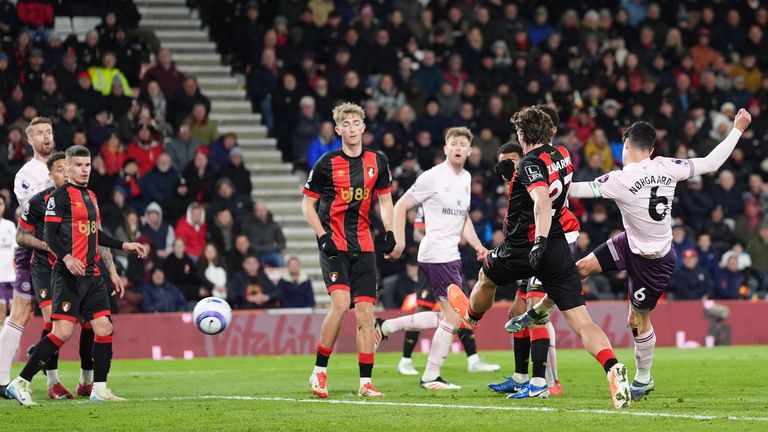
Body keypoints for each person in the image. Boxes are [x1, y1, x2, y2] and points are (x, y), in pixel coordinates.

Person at [553, 109, 752, 403]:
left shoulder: (620, 179)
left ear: (628, 146)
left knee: (637, 321)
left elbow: (578, 190)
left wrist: (545, 180)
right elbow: (711, 163)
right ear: (653, 149)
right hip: (628, 243)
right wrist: (737, 129)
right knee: (581, 268)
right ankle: (540, 309)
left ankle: (644, 379)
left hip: (654, 261)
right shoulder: (668, 166)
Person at [448, 107, 631, 408]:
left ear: (521, 135)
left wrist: (539, 241)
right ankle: (612, 366)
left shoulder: (529, 164)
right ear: (549, 132)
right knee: (581, 321)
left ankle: (471, 319)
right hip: (559, 247)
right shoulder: (563, 155)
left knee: (485, 276)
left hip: (526, 246)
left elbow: (541, 200)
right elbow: (557, 190)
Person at [5, 145, 147, 406]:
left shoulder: (91, 196)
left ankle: (100, 388)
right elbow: (48, 234)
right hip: (68, 275)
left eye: (88, 165)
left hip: (92, 275)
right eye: (79, 165)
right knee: (61, 332)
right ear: (68, 167)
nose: (84, 170)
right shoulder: (58, 198)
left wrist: (123, 245)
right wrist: (66, 257)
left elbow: (95, 234)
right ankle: (21, 382)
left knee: (104, 327)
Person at [373, 127, 498, 390]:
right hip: (437, 253)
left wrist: (478, 245)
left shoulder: (465, 177)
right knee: (455, 317)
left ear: (469, 150)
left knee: (446, 317)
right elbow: (401, 205)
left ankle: (385, 327)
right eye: (453, 143)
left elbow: (463, 218)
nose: (458, 147)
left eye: (463, 144)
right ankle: (430, 375)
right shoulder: (432, 177)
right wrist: (400, 241)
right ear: (445, 148)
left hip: (449, 255)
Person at [302, 102, 395, 398]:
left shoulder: (377, 162)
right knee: (341, 306)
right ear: (338, 129)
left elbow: (385, 201)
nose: (352, 128)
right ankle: (318, 373)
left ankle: (365, 383)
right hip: (335, 245)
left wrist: (391, 231)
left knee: (366, 314)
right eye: (347, 124)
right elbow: (307, 204)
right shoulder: (327, 163)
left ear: (364, 128)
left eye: (357, 123)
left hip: (364, 246)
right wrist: (321, 236)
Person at [0, 117, 55, 398]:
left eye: (49, 132)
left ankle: (45, 363)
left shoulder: (63, 167)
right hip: (32, 249)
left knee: (61, 318)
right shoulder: (26, 174)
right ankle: (1, 380)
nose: (46, 137)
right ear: (30, 140)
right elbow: (37, 210)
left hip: (61, 249)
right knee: (20, 313)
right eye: (40, 134)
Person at [0, 196, 15, 326]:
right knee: (1, 310)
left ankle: (12, 343)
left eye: (0, 204)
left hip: (11, 275)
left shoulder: (9, 225)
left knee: (14, 310)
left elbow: (16, 250)